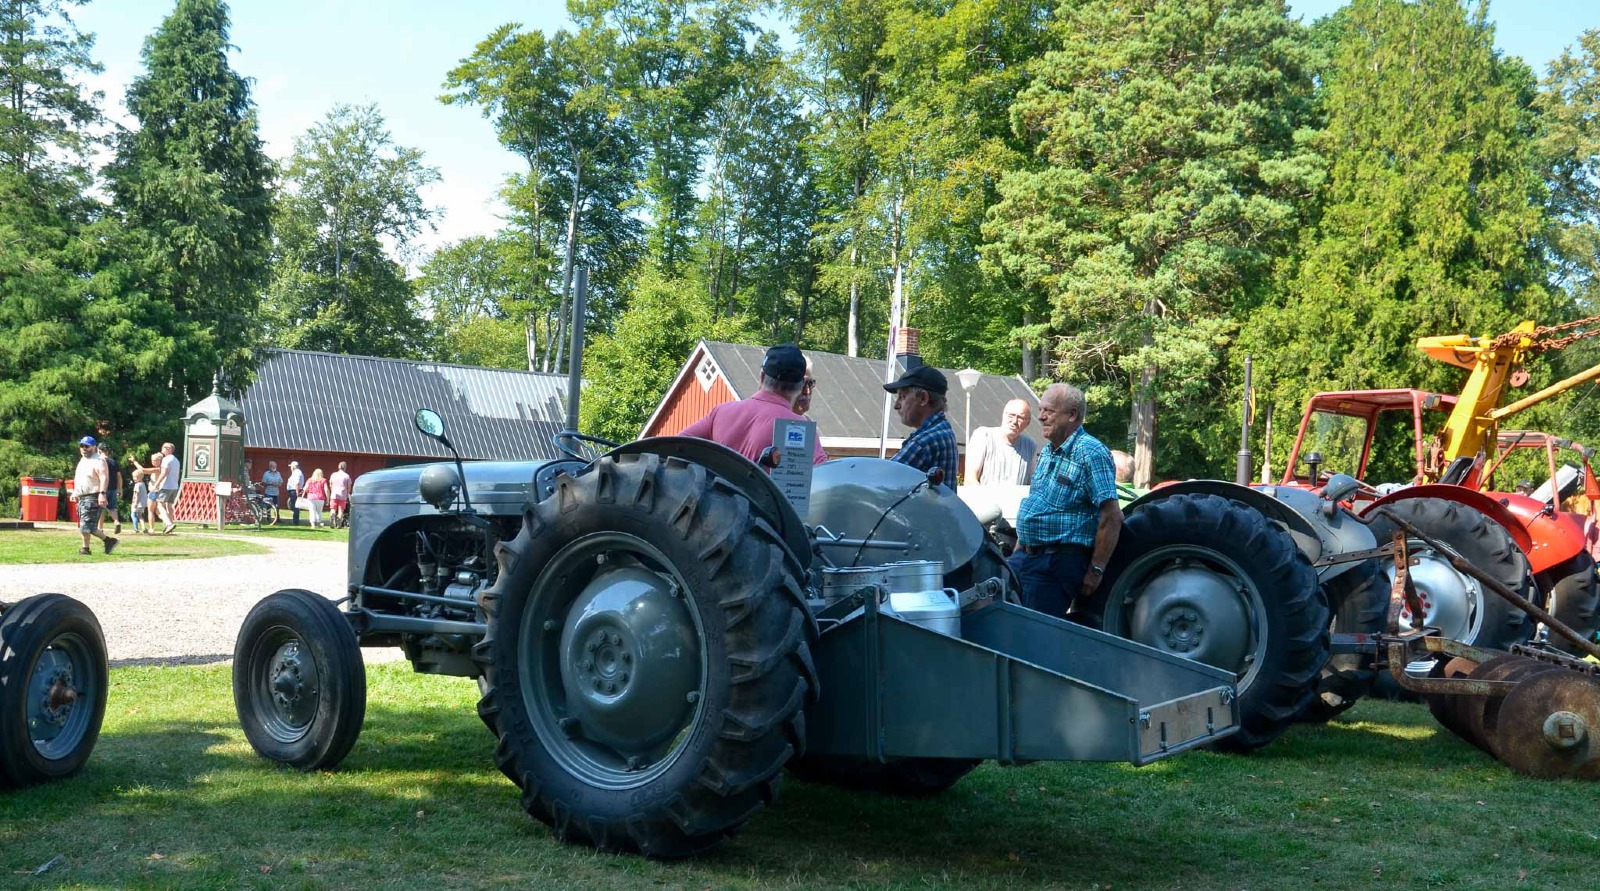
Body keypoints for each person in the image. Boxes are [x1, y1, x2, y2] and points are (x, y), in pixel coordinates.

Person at [1007, 383, 1122, 619]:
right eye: (1040, 410)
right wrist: (1019, 550)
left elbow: (1112, 516)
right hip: (1026, 556)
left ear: (1072, 415)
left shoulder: (1091, 452)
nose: (1041, 416)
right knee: (1005, 619)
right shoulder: (1048, 451)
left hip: (1054, 562)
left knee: (1034, 631)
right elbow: (1035, 505)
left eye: (1049, 411)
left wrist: (1096, 571)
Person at [681, 344, 828, 465]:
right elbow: (824, 474)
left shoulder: (720, 412)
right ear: (801, 386)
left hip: (719, 492)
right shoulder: (801, 428)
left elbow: (677, 446)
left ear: (762, 376)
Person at [885, 365, 958, 486]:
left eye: (902, 397)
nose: (896, 405)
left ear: (923, 398)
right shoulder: (943, 430)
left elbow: (880, 483)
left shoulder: (924, 442)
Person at [967, 399, 1038, 486]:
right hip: (985, 494)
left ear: (1028, 422)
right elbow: (970, 479)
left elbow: (1033, 485)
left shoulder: (1030, 447)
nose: (1014, 421)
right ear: (1004, 415)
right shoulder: (983, 436)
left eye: (1020, 418)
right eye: (1011, 415)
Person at [72, 436, 118, 556]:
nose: (84, 448)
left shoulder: (99, 460)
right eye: (82, 446)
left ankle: (109, 540)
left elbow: (104, 478)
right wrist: (75, 492)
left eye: (87, 446)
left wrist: (102, 494)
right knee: (84, 524)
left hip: (93, 496)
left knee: (87, 525)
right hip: (83, 496)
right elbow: (80, 478)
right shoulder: (83, 460)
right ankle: (85, 549)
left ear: (94, 447)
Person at [151, 442, 181, 534]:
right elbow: (177, 475)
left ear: (169, 449)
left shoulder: (166, 459)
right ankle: (170, 523)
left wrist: (156, 484)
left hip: (166, 486)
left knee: (159, 505)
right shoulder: (176, 460)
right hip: (174, 486)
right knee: (169, 505)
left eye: (164, 447)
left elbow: (164, 473)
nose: (162, 448)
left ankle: (168, 524)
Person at [96, 442, 123, 535]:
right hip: (113, 488)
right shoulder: (114, 462)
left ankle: (100, 528)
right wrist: (120, 489)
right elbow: (119, 476)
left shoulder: (99, 461)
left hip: (103, 488)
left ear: (99, 451)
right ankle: (116, 521)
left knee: (101, 508)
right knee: (112, 507)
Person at [329, 461, 353, 528]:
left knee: (333, 509)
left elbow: (330, 484)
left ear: (338, 467)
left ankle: (332, 519)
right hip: (342, 495)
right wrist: (347, 493)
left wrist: (332, 491)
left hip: (334, 494)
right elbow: (349, 486)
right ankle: (339, 524)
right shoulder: (346, 476)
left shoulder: (333, 474)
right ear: (345, 467)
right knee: (341, 510)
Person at [130, 468, 150, 534]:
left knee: (133, 515)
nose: (134, 478)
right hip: (143, 503)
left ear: (140, 477)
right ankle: (144, 528)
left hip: (137, 503)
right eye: (133, 477)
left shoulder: (137, 485)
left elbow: (137, 495)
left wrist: (135, 503)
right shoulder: (143, 484)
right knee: (140, 516)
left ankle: (135, 529)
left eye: (135, 477)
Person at [286, 460, 305, 525]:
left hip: (294, 491)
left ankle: (295, 521)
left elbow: (297, 483)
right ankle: (295, 520)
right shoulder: (296, 472)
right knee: (294, 506)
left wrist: (297, 492)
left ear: (293, 467)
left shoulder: (297, 472)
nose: (290, 468)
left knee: (295, 506)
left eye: (291, 467)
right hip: (294, 491)